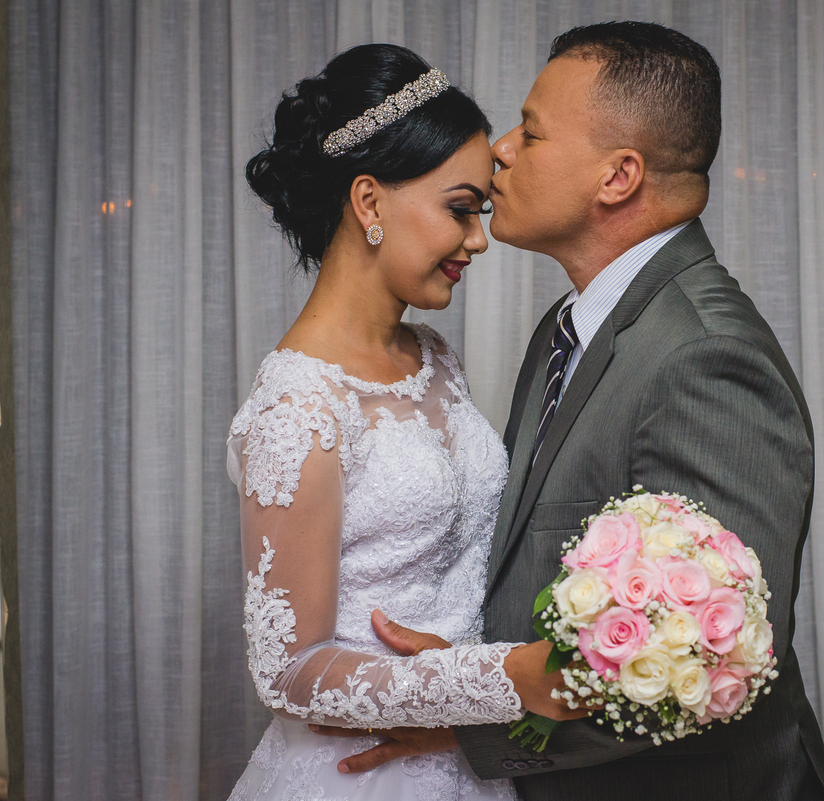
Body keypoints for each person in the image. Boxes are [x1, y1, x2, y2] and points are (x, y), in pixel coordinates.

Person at [311, 22, 824, 801]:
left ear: (618, 177)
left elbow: (707, 663)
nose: (501, 152)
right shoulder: (572, 328)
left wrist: (471, 723)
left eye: (531, 130)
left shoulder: (704, 358)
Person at [224, 43, 582, 801]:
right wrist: (501, 678)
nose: (479, 240)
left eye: (481, 212)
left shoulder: (432, 356)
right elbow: (288, 668)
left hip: (473, 761)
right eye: (461, 209)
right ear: (369, 201)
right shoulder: (298, 406)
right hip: (360, 777)